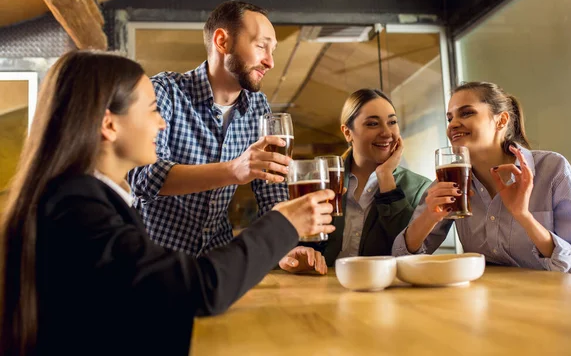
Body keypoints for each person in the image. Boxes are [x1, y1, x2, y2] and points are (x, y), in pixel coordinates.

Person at [0, 50, 335, 356]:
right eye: (152, 109)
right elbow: (200, 289)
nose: (162, 123)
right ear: (109, 124)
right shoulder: (76, 210)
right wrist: (284, 223)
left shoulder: (78, 199)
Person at [127, 0, 290, 256]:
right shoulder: (164, 92)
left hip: (217, 261)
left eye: (273, 51)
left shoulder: (259, 107)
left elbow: (271, 188)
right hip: (151, 259)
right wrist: (234, 170)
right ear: (222, 41)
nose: (269, 61)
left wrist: (288, 246)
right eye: (260, 46)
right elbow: (144, 177)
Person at [392, 81, 571, 277]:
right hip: (489, 305)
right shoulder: (449, 182)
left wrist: (524, 217)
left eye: (466, 113)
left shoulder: (552, 170)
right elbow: (400, 259)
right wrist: (430, 216)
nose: (453, 124)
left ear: (501, 120)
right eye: (449, 118)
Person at [279, 89, 431, 272]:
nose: (386, 132)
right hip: (323, 289)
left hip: (385, 293)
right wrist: (295, 255)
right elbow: (289, 245)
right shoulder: (319, 183)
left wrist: (386, 178)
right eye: (373, 124)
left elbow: (407, 255)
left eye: (392, 122)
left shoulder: (420, 188)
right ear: (347, 133)